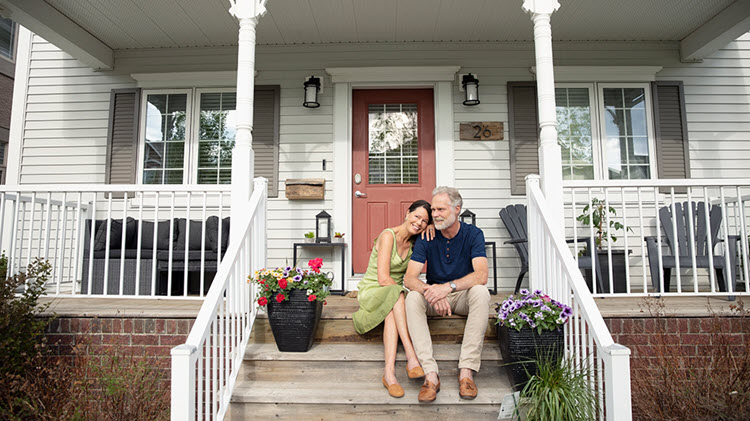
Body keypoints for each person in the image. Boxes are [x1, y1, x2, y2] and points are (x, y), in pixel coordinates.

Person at [404, 186, 490, 402]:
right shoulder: (427, 236)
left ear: (457, 209)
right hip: (434, 297)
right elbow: (410, 278)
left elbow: (481, 275)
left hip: (461, 296)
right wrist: (435, 292)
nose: (435, 214)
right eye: (433, 210)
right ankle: (431, 375)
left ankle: (466, 372)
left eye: (441, 209)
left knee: (481, 292)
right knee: (413, 296)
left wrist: (448, 287)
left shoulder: (473, 234)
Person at [352, 200, 433, 398]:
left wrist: (432, 226)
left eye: (424, 221)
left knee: (392, 308)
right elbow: (383, 278)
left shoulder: (417, 242)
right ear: (407, 213)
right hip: (374, 289)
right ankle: (411, 355)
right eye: (416, 216)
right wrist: (401, 292)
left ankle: (389, 374)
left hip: (392, 295)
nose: (419, 223)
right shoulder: (388, 235)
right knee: (397, 295)